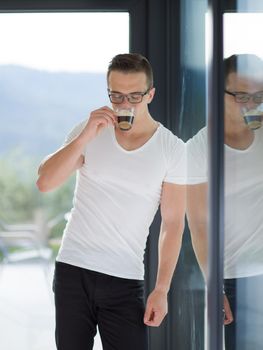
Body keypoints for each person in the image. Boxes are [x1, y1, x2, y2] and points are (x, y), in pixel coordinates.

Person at [36, 53, 186, 350]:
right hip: (72, 270)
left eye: (134, 96)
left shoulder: (172, 150)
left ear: (150, 94)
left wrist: (161, 289)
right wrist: (83, 137)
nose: (125, 105)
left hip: (124, 279)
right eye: (116, 95)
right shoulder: (88, 131)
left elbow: (172, 223)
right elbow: (45, 182)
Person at [186, 54, 263, 349]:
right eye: (242, 95)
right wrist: (214, 287)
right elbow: (200, 226)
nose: (252, 103)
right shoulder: (198, 150)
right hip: (234, 280)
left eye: (258, 95)